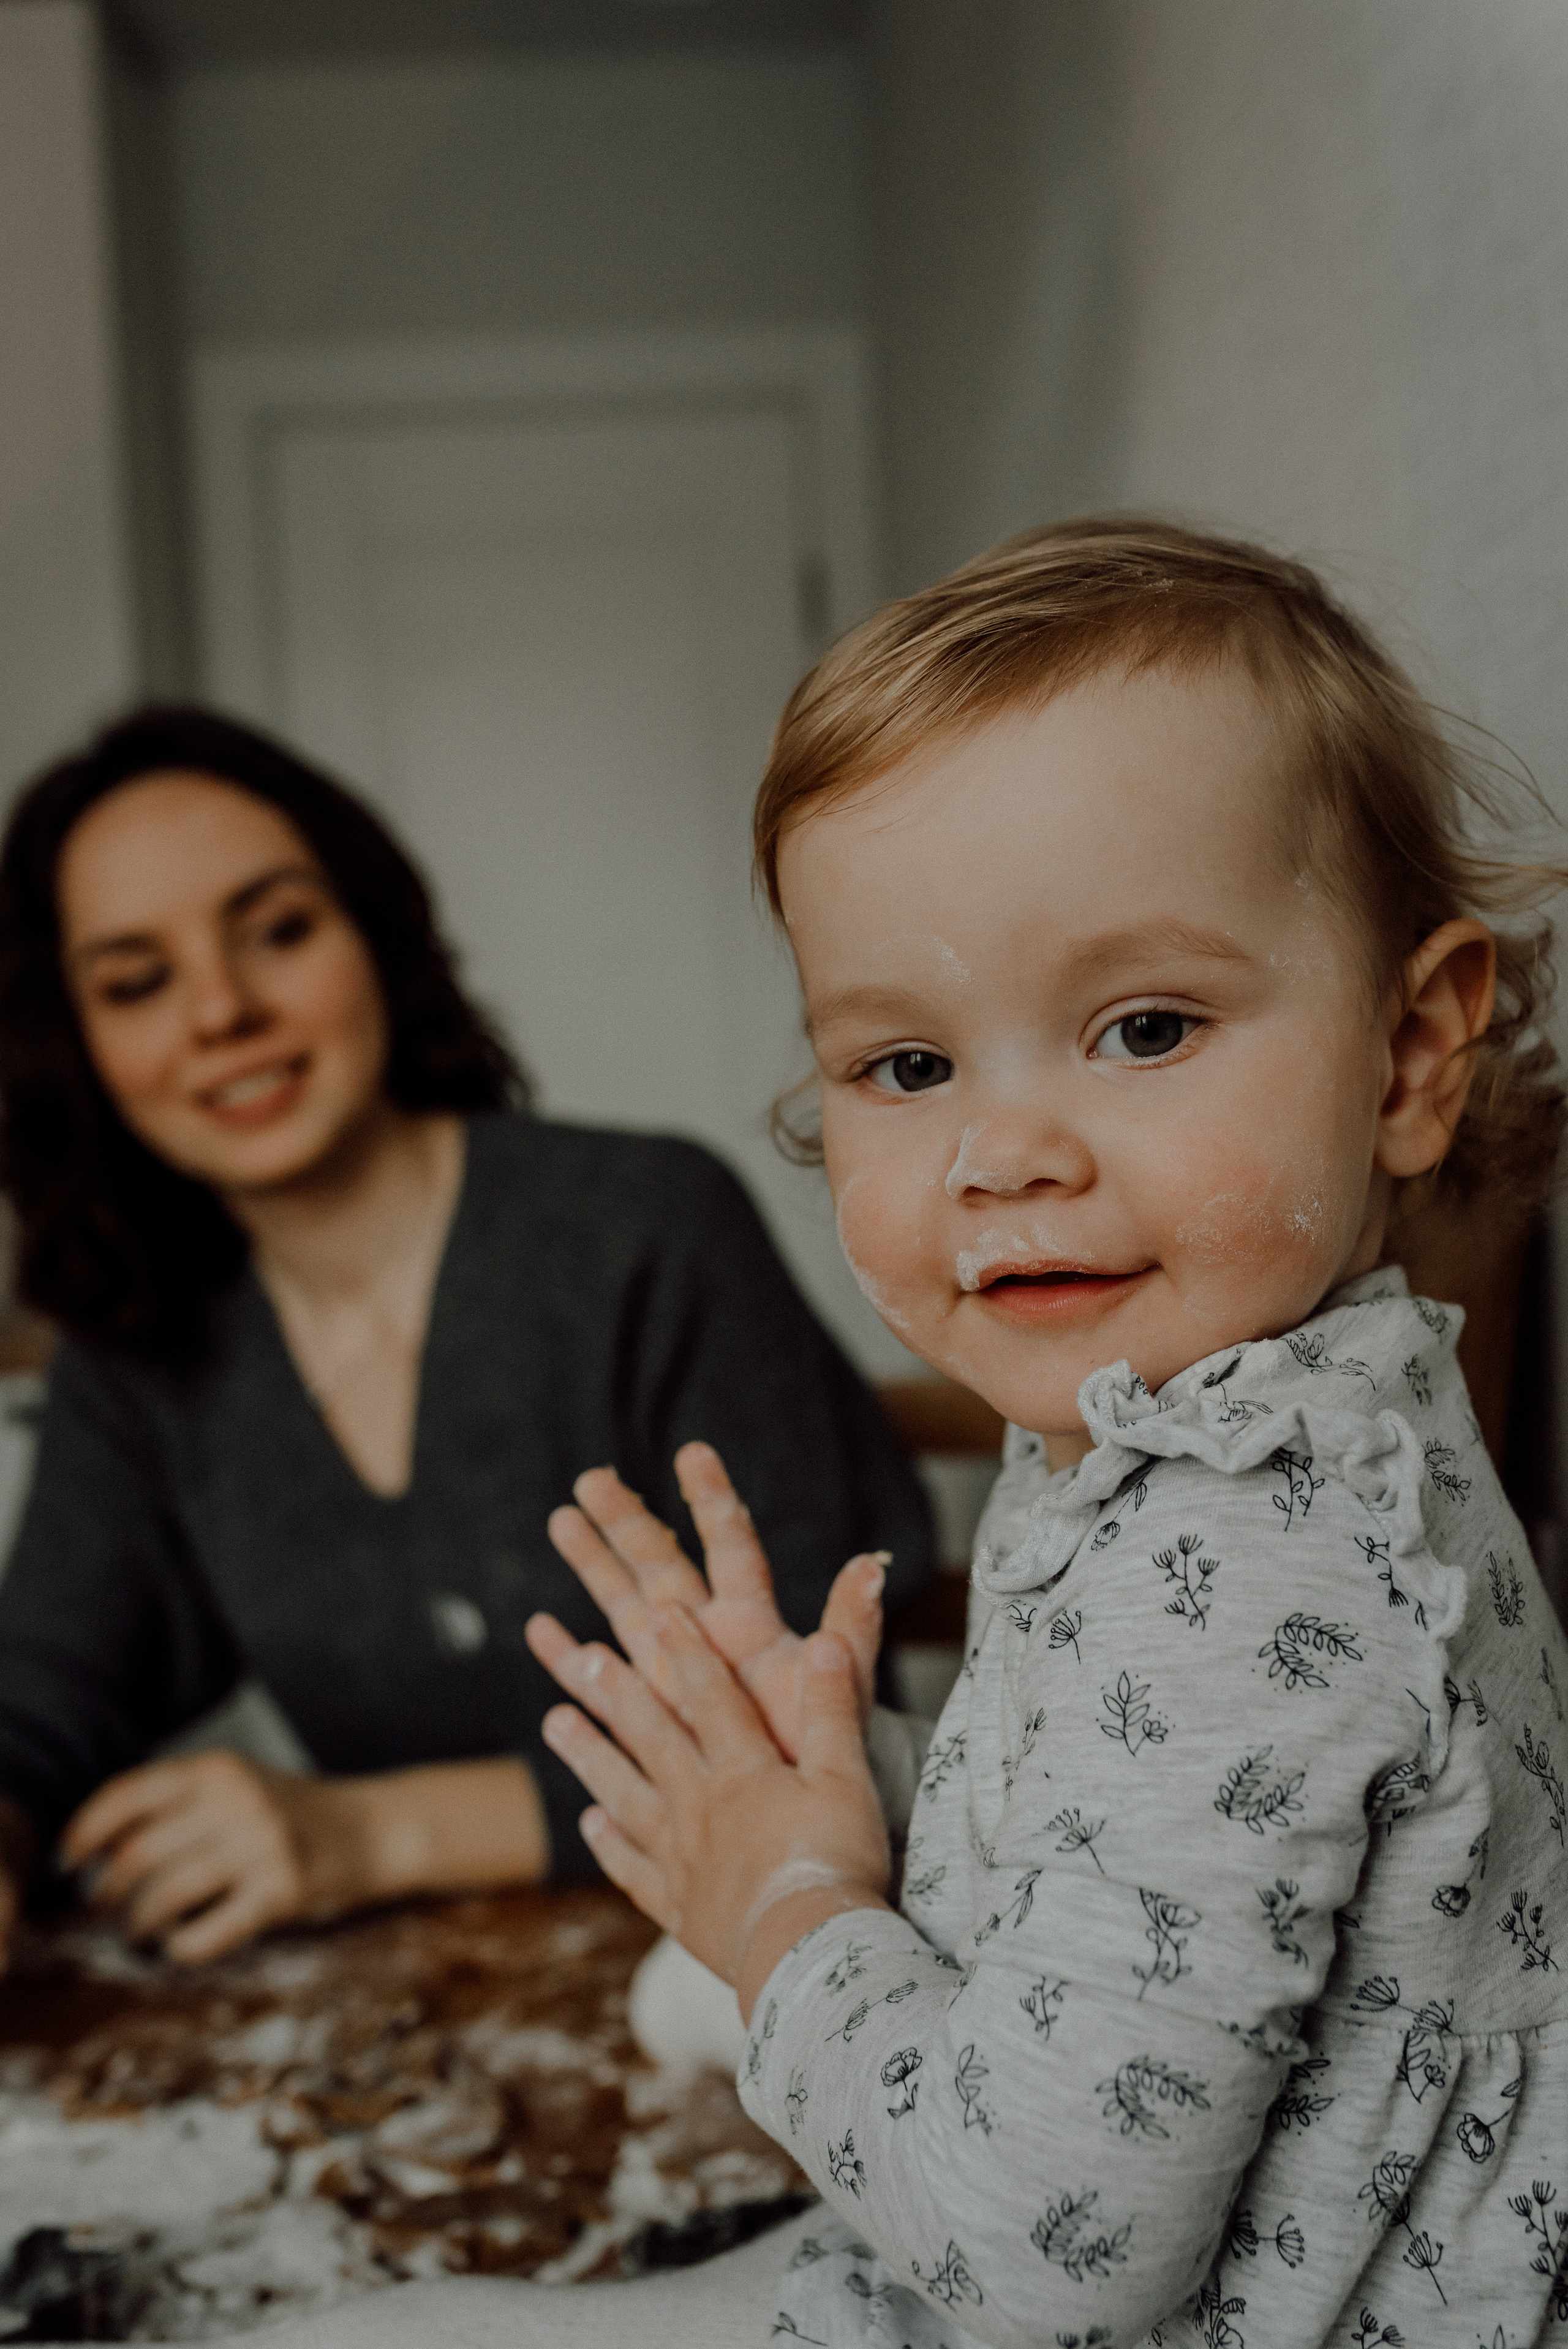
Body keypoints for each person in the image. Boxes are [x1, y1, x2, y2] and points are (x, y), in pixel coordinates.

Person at [240, 518, 1568, 2348]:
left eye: (1146, 1024)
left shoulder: (1261, 1569)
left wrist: (789, 1905)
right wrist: (859, 1783)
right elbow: (1155, 1843)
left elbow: (1044, 2266)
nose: (1000, 1150)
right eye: (909, 1065)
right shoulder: (1213, 1418)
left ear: (1413, 1054)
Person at [0, 706, 933, 1973]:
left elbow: (826, 1711)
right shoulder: (137, 1341)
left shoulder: (645, 1227)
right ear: (78, 1045)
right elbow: (41, 1693)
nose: (221, 1010)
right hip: (424, 2012)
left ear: (376, 937)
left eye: (278, 930)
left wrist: (368, 1836)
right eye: (136, 982)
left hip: (762, 1978)